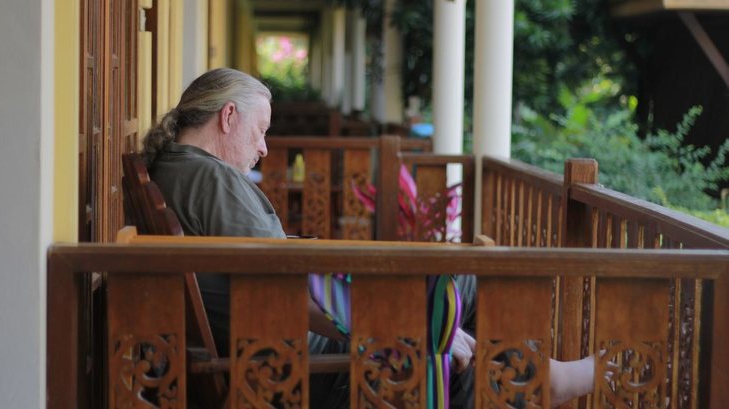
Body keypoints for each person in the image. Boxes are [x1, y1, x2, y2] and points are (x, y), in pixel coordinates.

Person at [141, 67, 594, 408]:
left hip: (295, 341)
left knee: (466, 280)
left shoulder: (181, 170)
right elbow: (282, 288)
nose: (264, 148)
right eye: (261, 132)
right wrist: (411, 328)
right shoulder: (209, 179)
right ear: (228, 117)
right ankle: (539, 380)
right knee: (463, 303)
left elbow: (272, 268)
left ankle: (535, 373)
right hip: (311, 359)